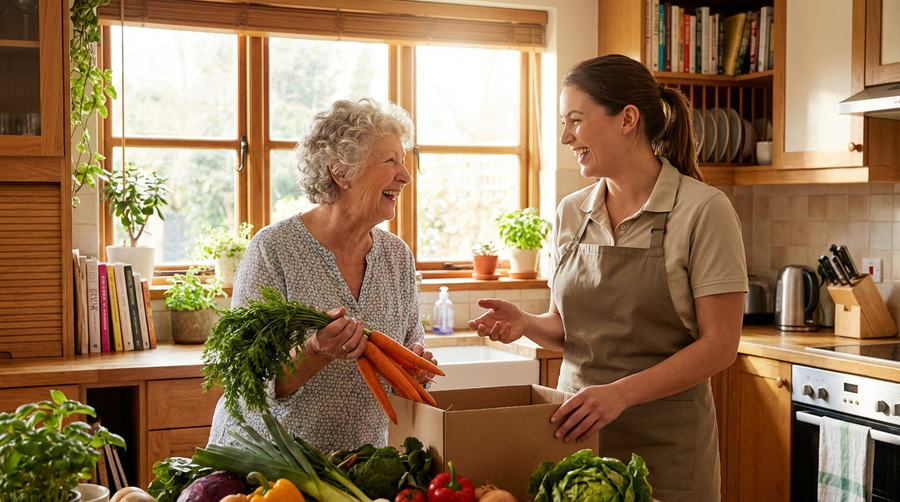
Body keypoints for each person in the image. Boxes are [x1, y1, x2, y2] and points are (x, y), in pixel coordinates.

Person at [468, 54, 747, 502]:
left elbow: (720, 346)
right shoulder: (571, 212)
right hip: (575, 441)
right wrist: (527, 323)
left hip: (667, 451)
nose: (566, 136)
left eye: (576, 120)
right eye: (564, 122)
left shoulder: (703, 210)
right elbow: (568, 329)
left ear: (627, 119)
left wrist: (618, 395)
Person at [208, 97, 436, 455]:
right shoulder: (274, 249)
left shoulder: (397, 257)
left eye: (403, 161)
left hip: (356, 464)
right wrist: (314, 351)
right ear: (340, 173)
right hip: (272, 466)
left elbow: (408, 349)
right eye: (391, 161)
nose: (405, 176)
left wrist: (415, 368)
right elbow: (245, 382)